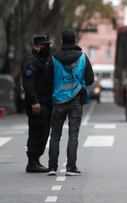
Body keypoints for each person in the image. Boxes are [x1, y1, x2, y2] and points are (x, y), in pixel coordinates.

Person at [48, 31, 94, 176]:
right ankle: (71, 167)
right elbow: (90, 79)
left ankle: (52, 168)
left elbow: (47, 79)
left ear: (62, 40)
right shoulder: (82, 57)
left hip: (58, 101)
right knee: (73, 135)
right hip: (76, 100)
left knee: (55, 135)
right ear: (75, 40)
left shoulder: (53, 58)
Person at [22, 34, 53, 173]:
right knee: (36, 132)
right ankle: (32, 162)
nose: (47, 48)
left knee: (44, 131)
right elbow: (28, 84)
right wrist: (34, 101)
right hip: (37, 103)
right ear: (35, 46)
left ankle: (36, 160)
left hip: (45, 102)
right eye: (44, 46)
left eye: (48, 45)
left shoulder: (44, 60)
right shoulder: (31, 61)